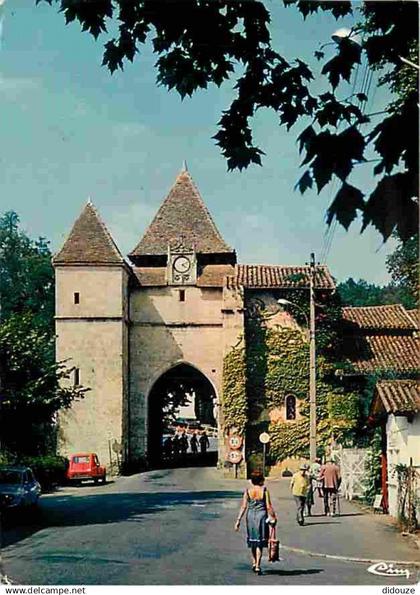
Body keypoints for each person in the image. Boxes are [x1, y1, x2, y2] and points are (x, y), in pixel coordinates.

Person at [234, 470, 276, 575]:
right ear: (261, 480)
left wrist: (238, 520)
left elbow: (244, 506)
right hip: (261, 516)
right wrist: (273, 517)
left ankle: (254, 562)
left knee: (253, 540)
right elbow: (268, 506)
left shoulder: (248, 491)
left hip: (251, 516)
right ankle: (257, 565)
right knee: (260, 541)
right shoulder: (264, 490)